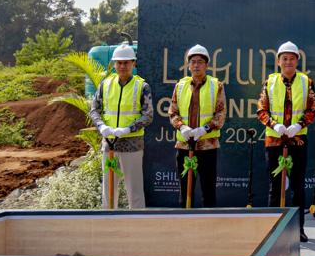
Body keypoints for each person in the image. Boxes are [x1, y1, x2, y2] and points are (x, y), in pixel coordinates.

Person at [257, 41, 315, 241]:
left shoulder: (306, 82)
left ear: (297, 61)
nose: (288, 62)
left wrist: (298, 126)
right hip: (274, 140)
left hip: (297, 140)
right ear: (278, 61)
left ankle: (297, 229)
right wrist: (274, 125)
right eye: (285, 58)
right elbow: (261, 110)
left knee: (297, 187)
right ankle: (272, 230)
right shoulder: (270, 82)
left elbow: (312, 109)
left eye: (292, 58)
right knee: (275, 186)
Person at [88, 43, 153, 209]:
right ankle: (108, 224)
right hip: (109, 144)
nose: (122, 66)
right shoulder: (105, 84)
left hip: (132, 144)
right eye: (119, 62)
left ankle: (138, 227)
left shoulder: (142, 87)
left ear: (133, 63)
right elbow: (94, 109)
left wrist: (127, 129)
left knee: (135, 190)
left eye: (126, 62)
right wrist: (101, 126)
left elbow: (148, 116)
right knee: (108, 190)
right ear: (114, 64)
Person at [168, 44, 225, 208]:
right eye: (193, 62)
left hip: (207, 146)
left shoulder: (217, 86)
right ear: (188, 65)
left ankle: (209, 229)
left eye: (200, 62)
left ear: (206, 65)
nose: (196, 65)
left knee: (208, 192)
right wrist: (182, 127)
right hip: (184, 145)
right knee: (185, 191)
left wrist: (204, 129)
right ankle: (184, 228)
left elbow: (220, 114)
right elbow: (173, 111)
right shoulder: (180, 86)